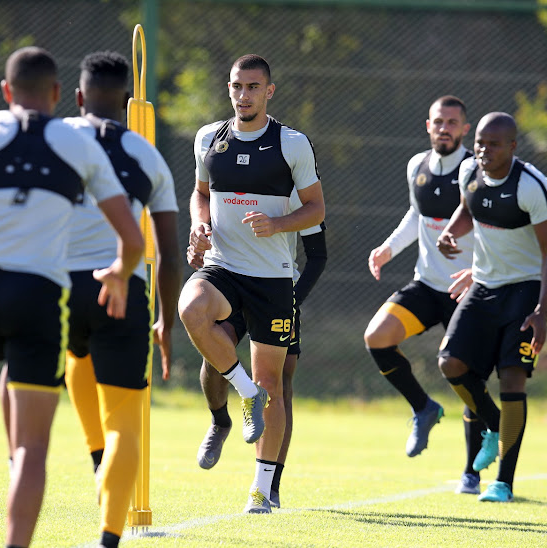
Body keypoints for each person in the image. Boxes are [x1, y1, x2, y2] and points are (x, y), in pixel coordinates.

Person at [0, 46, 144, 548]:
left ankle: (10, 458)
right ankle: (17, 495)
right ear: (56, 95)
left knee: (11, 357)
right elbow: (132, 241)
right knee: (34, 446)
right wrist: (117, 274)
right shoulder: (79, 143)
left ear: (6, 92)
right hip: (37, 294)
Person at [178, 54, 325, 514]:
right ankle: (243, 392)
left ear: (269, 91)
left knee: (275, 383)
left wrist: (279, 225)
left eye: (253, 87)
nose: (244, 95)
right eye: (237, 87)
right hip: (223, 267)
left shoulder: (292, 144)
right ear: (229, 89)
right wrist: (198, 225)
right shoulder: (209, 138)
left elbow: (316, 210)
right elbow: (200, 194)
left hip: (273, 279)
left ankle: (262, 492)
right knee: (191, 308)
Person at [64, 50, 180, 548]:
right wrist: (166, 324)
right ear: (128, 100)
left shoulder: (56, 138)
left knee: (75, 357)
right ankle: (110, 536)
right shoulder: (147, 154)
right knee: (126, 422)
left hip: (57, 287)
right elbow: (170, 255)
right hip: (123, 287)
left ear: (76, 97)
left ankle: (97, 459)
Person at [437, 112, 547, 502]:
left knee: (512, 380)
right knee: (450, 363)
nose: (483, 150)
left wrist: (541, 311)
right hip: (484, 286)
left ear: (512, 147)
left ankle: (503, 482)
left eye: (493, 144)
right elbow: (469, 209)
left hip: (525, 292)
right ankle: (492, 424)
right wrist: (449, 232)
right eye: (479, 142)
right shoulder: (468, 171)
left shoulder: (532, 187)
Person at [363, 95, 484, 494]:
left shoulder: (474, 168)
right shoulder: (417, 165)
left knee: (468, 379)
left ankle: (471, 472)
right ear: (428, 125)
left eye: (453, 122)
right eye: (438, 121)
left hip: (467, 290)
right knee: (377, 337)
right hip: (428, 284)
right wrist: (386, 248)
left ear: (465, 129)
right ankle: (423, 407)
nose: (445, 128)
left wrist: (479, 273)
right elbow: (416, 216)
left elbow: (490, 226)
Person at [192, 189, 327, 510]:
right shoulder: (227, 170)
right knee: (214, 356)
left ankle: (268, 487)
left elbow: (317, 256)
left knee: (278, 383)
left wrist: (293, 301)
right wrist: (198, 237)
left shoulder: (296, 186)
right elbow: (201, 203)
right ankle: (220, 420)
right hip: (230, 283)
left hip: (275, 292)